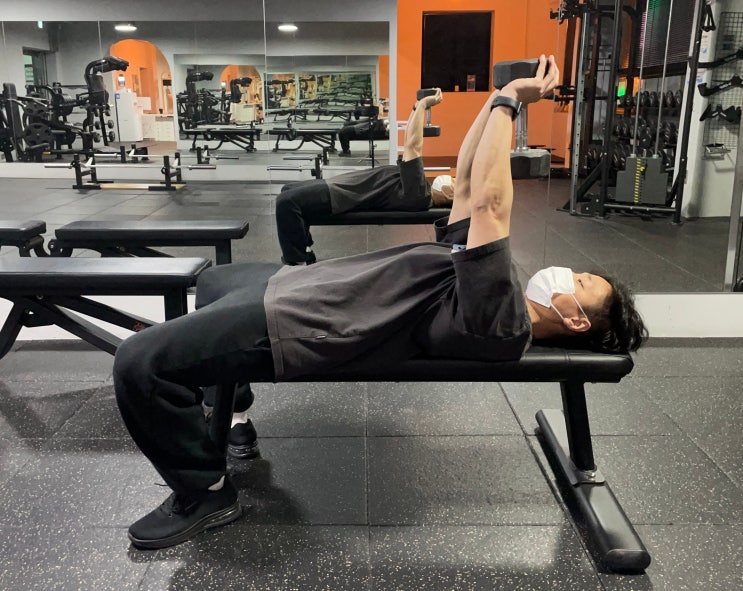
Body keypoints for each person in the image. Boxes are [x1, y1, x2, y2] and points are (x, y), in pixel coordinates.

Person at [113, 55, 647, 550]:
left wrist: (509, 102)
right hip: (307, 286)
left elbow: (489, 201)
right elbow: (466, 182)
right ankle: (230, 405)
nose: (567, 273)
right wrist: (494, 102)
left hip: (303, 320)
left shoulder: (501, 320)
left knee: (139, 363)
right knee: (214, 282)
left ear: (575, 319)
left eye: (579, 281)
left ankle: (204, 491)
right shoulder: (491, 283)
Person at [275, 87, 454, 265]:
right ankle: (305, 250)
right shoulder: (419, 186)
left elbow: (412, 145)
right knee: (287, 189)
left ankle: (296, 262)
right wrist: (417, 107)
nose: (452, 178)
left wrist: (423, 105)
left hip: (342, 195)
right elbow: (410, 138)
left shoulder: (419, 193)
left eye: (454, 182)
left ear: (447, 194)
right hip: (339, 186)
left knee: (286, 202)